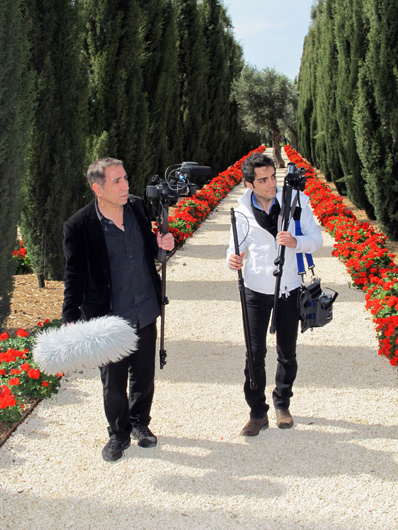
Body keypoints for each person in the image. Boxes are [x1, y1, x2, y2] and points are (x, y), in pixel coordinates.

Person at [62, 157, 174, 462]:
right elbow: (74, 275)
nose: (126, 185)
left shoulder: (137, 207)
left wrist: (163, 244)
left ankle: (141, 425)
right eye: (117, 181)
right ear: (98, 188)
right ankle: (118, 434)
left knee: (144, 374)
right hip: (108, 317)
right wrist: (70, 317)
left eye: (125, 178)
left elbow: (153, 251)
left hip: (145, 307)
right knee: (113, 382)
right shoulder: (79, 225)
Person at [227, 152, 322, 436]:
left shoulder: (297, 202)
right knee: (254, 354)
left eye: (273, 177)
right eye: (263, 180)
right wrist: (232, 260)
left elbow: (316, 241)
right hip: (255, 290)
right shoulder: (241, 211)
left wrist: (295, 241)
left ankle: (282, 403)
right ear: (249, 184)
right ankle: (257, 412)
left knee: (287, 353)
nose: (271, 184)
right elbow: (233, 248)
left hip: (288, 289)